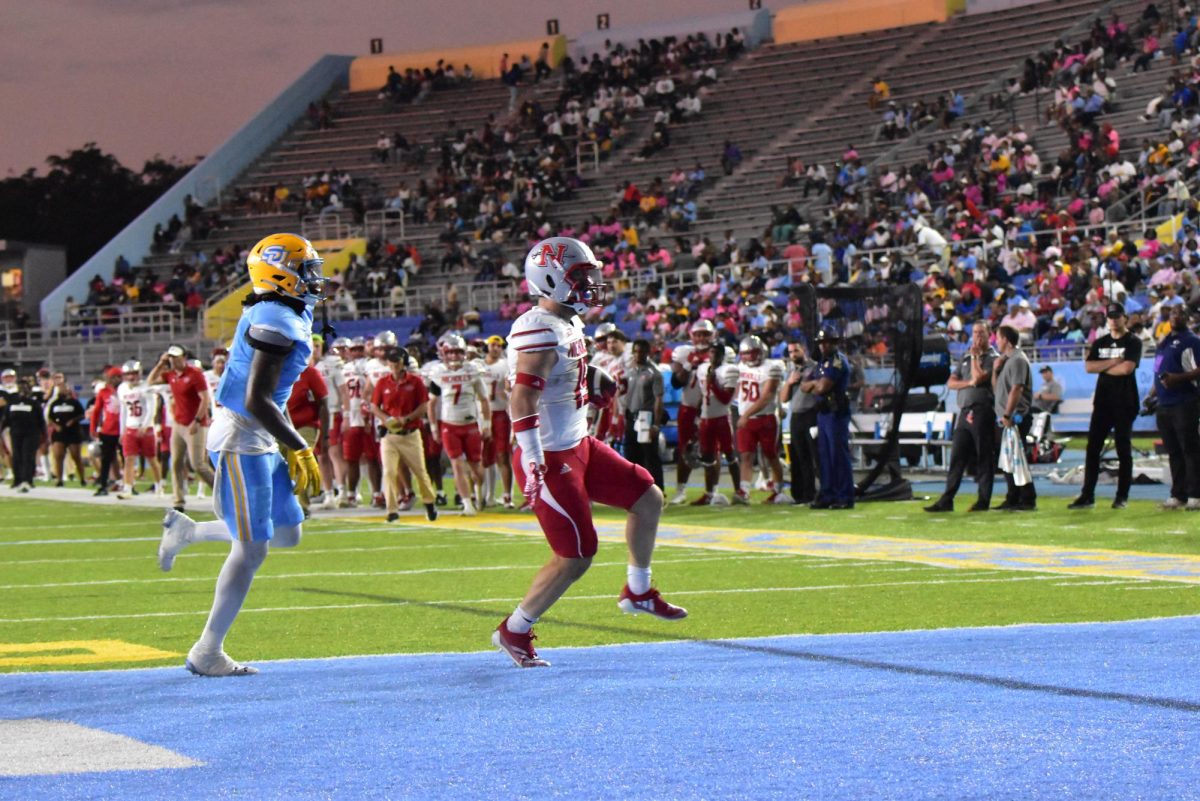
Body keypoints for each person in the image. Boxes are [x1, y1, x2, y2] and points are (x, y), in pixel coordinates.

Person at [493, 236, 687, 669]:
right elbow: (522, 400)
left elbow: (562, 372)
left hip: (578, 443)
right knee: (577, 554)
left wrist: (592, 379)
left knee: (646, 497)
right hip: (549, 453)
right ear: (550, 279)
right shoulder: (538, 328)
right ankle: (515, 628)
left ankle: (638, 590)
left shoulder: (567, 323)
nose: (591, 283)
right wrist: (534, 459)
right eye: (580, 275)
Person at [156, 232, 325, 677]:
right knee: (252, 552)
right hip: (242, 438)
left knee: (288, 534)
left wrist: (284, 439)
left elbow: (270, 395)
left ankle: (189, 534)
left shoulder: (282, 309)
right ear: (279, 272)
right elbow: (256, 399)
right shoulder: (275, 320)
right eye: (305, 269)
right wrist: (300, 445)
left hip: (261, 434)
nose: (313, 277)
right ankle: (207, 651)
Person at [1069, 304, 1142, 510]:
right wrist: (1113, 361)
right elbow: (1089, 367)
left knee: (1123, 449)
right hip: (1103, 402)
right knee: (1092, 449)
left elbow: (1126, 369)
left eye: (1117, 316)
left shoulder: (1133, 341)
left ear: (1124, 318)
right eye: (1110, 316)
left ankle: (1122, 496)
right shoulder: (1100, 342)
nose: (1114, 320)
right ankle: (1087, 494)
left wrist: (1106, 365)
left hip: (1125, 402)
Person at [926, 324, 996, 513]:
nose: (977, 337)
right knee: (957, 456)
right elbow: (951, 382)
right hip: (964, 412)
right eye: (974, 333)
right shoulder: (965, 357)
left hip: (982, 411)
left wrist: (974, 358)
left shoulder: (993, 358)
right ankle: (947, 499)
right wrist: (968, 383)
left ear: (989, 335)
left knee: (983, 456)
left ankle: (983, 499)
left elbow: (979, 377)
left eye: (981, 333)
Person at [426, 333, 491, 515]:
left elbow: (484, 400)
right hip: (449, 425)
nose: (454, 356)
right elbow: (431, 403)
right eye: (451, 352)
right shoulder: (438, 373)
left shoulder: (472, 370)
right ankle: (467, 503)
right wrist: (433, 428)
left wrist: (486, 424)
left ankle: (479, 492)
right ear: (444, 354)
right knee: (456, 464)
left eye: (458, 352)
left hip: (470, 424)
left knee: (476, 467)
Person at [371, 346, 438, 522]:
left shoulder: (415, 382)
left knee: (420, 472)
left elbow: (423, 406)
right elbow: (374, 406)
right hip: (390, 435)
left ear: (403, 362)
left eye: (397, 361)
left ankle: (429, 502)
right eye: (391, 361)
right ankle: (392, 510)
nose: (394, 364)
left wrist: (406, 419)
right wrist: (387, 419)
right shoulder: (382, 382)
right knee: (389, 472)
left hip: (410, 434)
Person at [148, 344, 215, 512]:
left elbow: (204, 398)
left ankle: (222, 492)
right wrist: (159, 364)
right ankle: (178, 500)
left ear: (184, 357)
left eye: (176, 356)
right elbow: (150, 382)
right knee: (176, 462)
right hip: (178, 423)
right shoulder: (170, 375)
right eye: (170, 357)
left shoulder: (195, 374)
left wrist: (197, 420)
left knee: (198, 464)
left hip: (195, 424)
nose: (173, 359)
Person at [1146, 306, 1200, 510]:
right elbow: (1158, 372)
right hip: (1164, 403)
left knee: (1190, 449)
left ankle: (1196, 494)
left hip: (1184, 401)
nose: (1175, 317)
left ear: (1187, 318)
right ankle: (1178, 494)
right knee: (1174, 451)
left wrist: (1178, 379)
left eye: (1179, 314)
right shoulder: (1164, 342)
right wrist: (1151, 395)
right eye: (1172, 314)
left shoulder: (1192, 341)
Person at [802, 330, 854, 509]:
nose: (823, 345)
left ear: (835, 342)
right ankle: (828, 494)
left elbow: (822, 388)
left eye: (827, 342)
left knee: (837, 455)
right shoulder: (822, 363)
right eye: (821, 342)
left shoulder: (837, 361)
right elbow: (803, 386)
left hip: (836, 412)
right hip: (823, 413)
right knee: (824, 456)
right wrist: (814, 385)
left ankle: (844, 496)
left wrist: (814, 385)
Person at [734, 335, 788, 504]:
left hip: (765, 418)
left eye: (753, 353)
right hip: (747, 419)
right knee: (746, 455)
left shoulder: (772, 367)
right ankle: (744, 491)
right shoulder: (739, 367)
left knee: (771, 455)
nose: (749, 357)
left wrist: (745, 414)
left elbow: (766, 397)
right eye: (746, 353)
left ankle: (778, 490)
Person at [667, 319, 713, 504]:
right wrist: (689, 365)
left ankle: (711, 492)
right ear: (692, 336)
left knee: (711, 450)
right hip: (688, 406)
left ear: (712, 336)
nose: (702, 338)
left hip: (711, 408)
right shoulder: (684, 352)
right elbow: (676, 382)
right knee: (684, 448)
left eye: (705, 334)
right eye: (698, 334)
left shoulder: (720, 352)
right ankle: (681, 490)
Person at [692, 341, 741, 505]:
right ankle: (709, 492)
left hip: (721, 418)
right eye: (711, 352)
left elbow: (726, 398)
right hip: (706, 418)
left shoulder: (729, 370)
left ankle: (739, 491)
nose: (713, 355)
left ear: (722, 354)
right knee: (707, 457)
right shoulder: (702, 368)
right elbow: (702, 393)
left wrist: (713, 383)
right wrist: (697, 414)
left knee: (730, 454)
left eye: (716, 352)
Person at [993, 325, 1036, 511]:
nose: (996, 341)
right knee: (1009, 460)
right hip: (1006, 417)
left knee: (1017, 459)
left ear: (1007, 340)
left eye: (998, 338)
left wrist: (1008, 414)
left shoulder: (1018, 360)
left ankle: (1026, 497)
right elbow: (998, 390)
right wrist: (995, 370)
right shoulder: (1007, 361)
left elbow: (1016, 389)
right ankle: (1013, 496)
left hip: (1015, 417)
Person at [780, 339, 820, 505]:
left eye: (796, 351)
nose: (793, 355)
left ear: (804, 349)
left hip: (811, 414)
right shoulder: (790, 371)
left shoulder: (815, 367)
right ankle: (799, 494)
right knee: (797, 457)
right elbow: (783, 398)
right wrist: (790, 382)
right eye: (790, 352)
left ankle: (812, 493)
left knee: (812, 457)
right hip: (795, 416)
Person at [116, 360, 164, 498]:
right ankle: (128, 489)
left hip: (146, 428)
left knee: (152, 459)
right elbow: (123, 411)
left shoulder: (146, 386)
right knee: (129, 459)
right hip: (130, 427)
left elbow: (151, 408)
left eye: (134, 374)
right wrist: (122, 431)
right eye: (128, 374)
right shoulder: (122, 388)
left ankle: (159, 485)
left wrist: (145, 425)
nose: (131, 377)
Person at [622, 338, 665, 491]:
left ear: (648, 352)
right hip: (631, 415)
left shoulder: (654, 373)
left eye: (642, 351)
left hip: (645, 417)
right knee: (631, 455)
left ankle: (658, 490)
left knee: (650, 456)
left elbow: (659, 400)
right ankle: (635, 490)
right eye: (636, 351)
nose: (638, 355)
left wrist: (656, 424)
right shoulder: (629, 371)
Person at [481, 335, 514, 508]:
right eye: (492, 345)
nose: (495, 348)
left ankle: (507, 495)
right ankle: (488, 494)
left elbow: (509, 387)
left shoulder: (505, 365)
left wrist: (507, 392)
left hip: (500, 413)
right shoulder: (478, 366)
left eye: (498, 346)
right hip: (482, 415)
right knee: (484, 456)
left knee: (503, 455)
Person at [3, 377, 45, 491]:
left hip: (31, 434)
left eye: (25, 386)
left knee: (28, 456)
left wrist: (44, 436)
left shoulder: (34, 404)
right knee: (17, 456)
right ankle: (17, 480)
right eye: (21, 386)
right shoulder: (12, 403)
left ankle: (27, 480)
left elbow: (41, 421)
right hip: (16, 434)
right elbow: (6, 420)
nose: (23, 389)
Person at [46, 379, 87, 487]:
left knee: (76, 456)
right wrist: (55, 425)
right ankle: (59, 479)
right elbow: (50, 417)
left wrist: (73, 420)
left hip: (73, 431)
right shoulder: (54, 403)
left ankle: (82, 478)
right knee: (58, 456)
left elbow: (82, 414)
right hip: (59, 432)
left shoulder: (74, 402)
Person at [89, 366, 123, 496]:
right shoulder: (103, 392)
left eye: (118, 377)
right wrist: (93, 428)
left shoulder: (125, 389)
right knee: (106, 460)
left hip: (123, 429)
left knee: (127, 459)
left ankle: (128, 485)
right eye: (114, 377)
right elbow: (97, 411)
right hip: (108, 430)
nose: (117, 380)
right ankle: (103, 485)